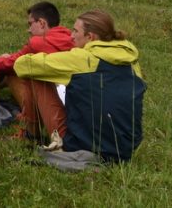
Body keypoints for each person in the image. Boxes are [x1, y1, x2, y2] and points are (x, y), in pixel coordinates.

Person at [13, 9, 145, 163]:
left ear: (90, 37)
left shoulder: (82, 59)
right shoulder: (131, 63)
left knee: (36, 74)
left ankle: (30, 134)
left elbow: (21, 65)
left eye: (75, 31)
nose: (71, 36)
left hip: (82, 145)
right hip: (124, 150)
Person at [0, 1, 74, 142]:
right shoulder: (72, 40)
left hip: (58, 122)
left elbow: (11, 63)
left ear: (41, 23)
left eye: (30, 24)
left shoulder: (38, 43)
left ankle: (30, 132)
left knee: (19, 71)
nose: (29, 30)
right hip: (72, 107)